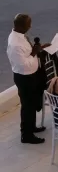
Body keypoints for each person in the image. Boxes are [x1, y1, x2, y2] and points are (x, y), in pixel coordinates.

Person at [7, 13, 45, 144]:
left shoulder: (20, 36)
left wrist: (39, 49)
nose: (30, 26)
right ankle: (26, 135)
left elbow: (27, 54)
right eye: (28, 24)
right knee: (27, 106)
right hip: (24, 78)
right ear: (21, 26)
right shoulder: (15, 44)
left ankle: (32, 126)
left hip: (31, 75)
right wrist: (34, 53)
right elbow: (23, 65)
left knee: (32, 103)